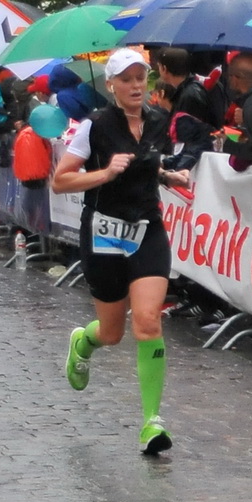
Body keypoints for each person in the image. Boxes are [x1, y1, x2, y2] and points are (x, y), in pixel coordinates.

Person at [51, 48, 192, 454]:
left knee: (147, 321)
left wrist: (169, 175)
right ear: (111, 85)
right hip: (103, 233)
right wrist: (104, 173)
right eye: (126, 79)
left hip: (147, 229)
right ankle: (84, 342)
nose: (135, 86)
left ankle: (152, 421)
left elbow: (146, 165)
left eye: (140, 78)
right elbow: (60, 182)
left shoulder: (159, 121)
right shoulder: (93, 126)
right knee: (111, 333)